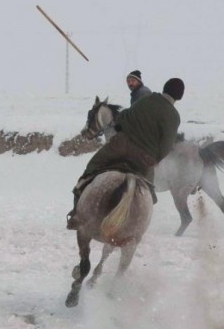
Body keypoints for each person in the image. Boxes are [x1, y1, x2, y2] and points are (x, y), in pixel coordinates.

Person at [67, 78, 185, 229]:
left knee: (91, 169)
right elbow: (166, 145)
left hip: (121, 146)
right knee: (149, 191)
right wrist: (155, 158)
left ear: (164, 88)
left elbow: (123, 118)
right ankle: (140, 222)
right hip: (145, 158)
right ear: (180, 96)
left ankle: (77, 213)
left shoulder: (146, 100)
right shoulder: (173, 116)